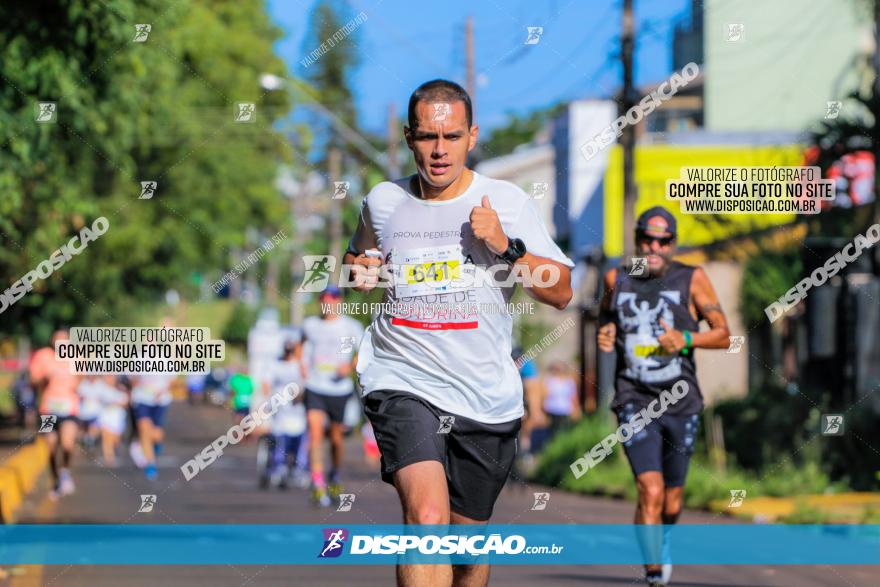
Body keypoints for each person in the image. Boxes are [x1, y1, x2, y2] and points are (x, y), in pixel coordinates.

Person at [346, 79, 572, 587]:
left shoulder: (506, 201)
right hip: (401, 377)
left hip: (484, 394)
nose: (439, 150)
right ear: (409, 138)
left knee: (467, 552)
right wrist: (358, 269)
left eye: (451, 137)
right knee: (427, 520)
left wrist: (507, 246)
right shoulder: (383, 201)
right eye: (427, 137)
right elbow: (357, 255)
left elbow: (560, 292)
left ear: (472, 136)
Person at [597, 206, 730, 587]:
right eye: (647, 239)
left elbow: (723, 333)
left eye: (663, 241)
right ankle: (653, 573)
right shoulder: (615, 278)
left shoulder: (693, 279)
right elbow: (606, 315)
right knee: (649, 489)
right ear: (637, 240)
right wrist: (605, 331)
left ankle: (663, 537)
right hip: (633, 398)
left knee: (671, 501)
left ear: (673, 243)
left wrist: (687, 338)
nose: (654, 247)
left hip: (681, 400)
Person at [298, 286, 364, 507]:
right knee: (315, 432)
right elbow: (300, 345)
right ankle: (317, 482)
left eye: (332, 301)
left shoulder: (350, 326)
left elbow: (364, 351)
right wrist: (302, 367)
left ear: (339, 302)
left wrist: (351, 366)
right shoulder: (311, 325)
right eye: (324, 300)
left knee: (336, 437)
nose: (328, 305)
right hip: (315, 386)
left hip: (339, 389)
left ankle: (335, 473)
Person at [28, 329, 80, 499]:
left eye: (65, 340)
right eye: (58, 340)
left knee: (67, 444)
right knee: (50, 446)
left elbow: (82, 379)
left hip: (69, 407)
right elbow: (33, 380)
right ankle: (55, 479)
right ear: (52, 341)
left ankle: (65, 471)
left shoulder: (76, 356)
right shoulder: (43, 356)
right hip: (48, 409)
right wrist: (44, 379)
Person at [265, 341, 308, 488]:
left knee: (301, 442)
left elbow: (306, 381)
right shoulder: (276, 365)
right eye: (287, 351)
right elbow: (267, 384)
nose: (289, 354)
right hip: (280, 411)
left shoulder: (300, 365)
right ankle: (279, 467)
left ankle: (299, 468)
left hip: (298, 413)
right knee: (279, 440)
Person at [130, 373, 173, 480]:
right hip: (142, 400)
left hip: (160, 401)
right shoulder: (138, 358)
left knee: (157, 435)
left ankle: (155, 444)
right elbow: (133, 378)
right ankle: (150, 464)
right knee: (145, 430)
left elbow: (171, 379)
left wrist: (160, 392)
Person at [541, 360, 581, 438]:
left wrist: (576, 409)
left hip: (565, 409)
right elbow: (544, 395)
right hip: (552, 409)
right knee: (553, 431)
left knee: (565, 430)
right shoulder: (549, 380)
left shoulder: (569, 381)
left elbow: (573, 396)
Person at [98, 376, 128, 466]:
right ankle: (109, 457)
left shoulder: (121, 390)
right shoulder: (101, 388)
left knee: (115, 440)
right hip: (105, 417)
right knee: (106, 437)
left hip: (117, 418)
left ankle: (114, 448)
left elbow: (125, 403)